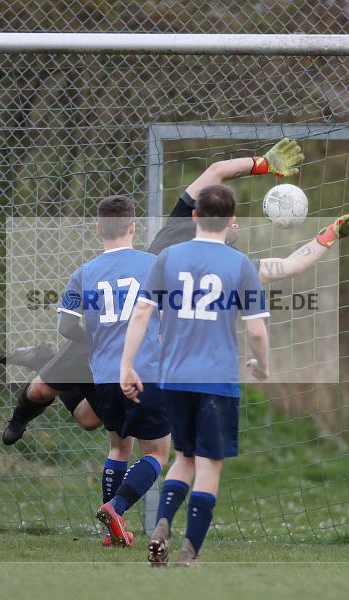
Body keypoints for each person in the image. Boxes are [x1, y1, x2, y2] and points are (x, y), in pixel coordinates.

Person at [0, 138, 306, 443]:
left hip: (143, 348)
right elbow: (217, 170)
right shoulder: (183, 221)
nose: (236, 220)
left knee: (89, 418)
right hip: (110, 324)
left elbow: (284, 266)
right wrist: (260, 164)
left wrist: (326, 238)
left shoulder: (220, 266)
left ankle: (44, 358)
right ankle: (20, 415)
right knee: (41, 390)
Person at [120, 184, 270, 566]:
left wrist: (127, 365)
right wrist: (262, 364)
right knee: (209, 464)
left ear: (194, 217)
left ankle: (161, 525)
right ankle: (190, 551)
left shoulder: (168, 257)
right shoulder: (240, 264)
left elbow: (141, 313)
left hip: (173, 377)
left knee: (184, 456)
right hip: (217, 379)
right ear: (233, 220)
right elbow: (255, 329)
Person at [57, 195, 170, 547]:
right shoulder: (154, 265)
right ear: (133, 226)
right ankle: (117, 507)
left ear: (98, 229)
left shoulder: (84, 273)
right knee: (157, 453)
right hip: (144, 372)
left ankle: (112, 533)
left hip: (105, 376)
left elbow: (65, 326)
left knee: (119, 448)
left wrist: (94, 339)